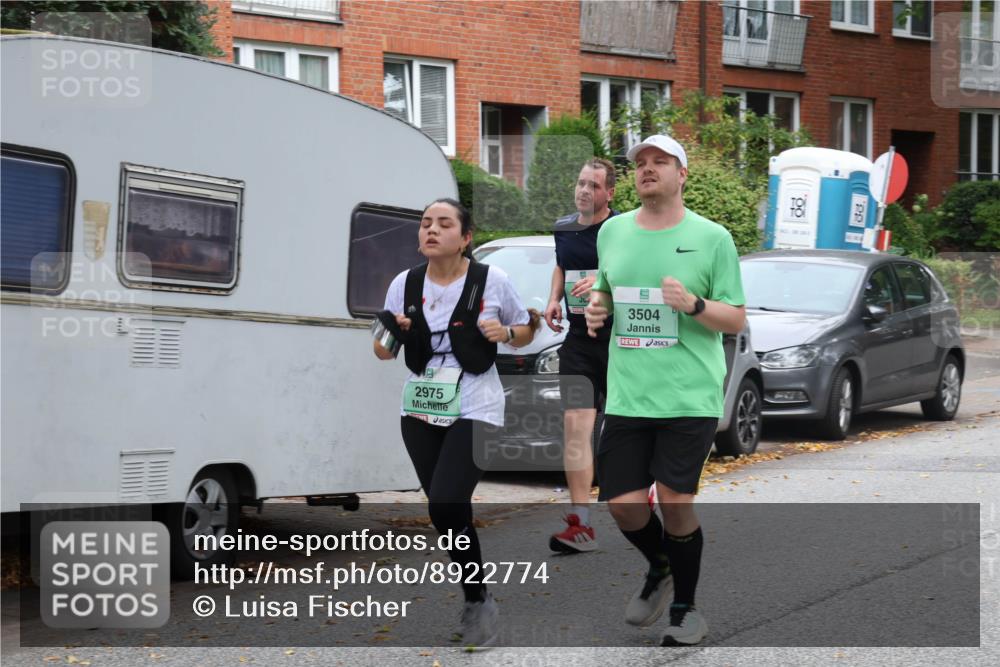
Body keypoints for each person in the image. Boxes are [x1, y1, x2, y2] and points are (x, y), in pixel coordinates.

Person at [583, 135, 746, 646]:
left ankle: (685, 610)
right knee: (624, 506)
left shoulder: (713, 237)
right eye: (641, 163)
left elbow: (735, 317)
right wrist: (597, 310)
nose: (648, 169)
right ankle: (661, 564)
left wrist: (694, 304)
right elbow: (606, 294)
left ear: (682, 174)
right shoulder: (611, 232)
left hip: (688, 394)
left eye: (660, 162)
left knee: (676, 503)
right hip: (629, 393)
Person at [373, 198, 538, 648]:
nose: (431, 230)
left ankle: (477, 602)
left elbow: (526, 330)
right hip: (421, 408)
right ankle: (477, 596)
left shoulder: (492, 281)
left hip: (476, 407)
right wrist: (396, 329)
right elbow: (383, 351)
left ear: (465, 238)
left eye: (444, 224)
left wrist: (505, 334)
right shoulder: (403, 284)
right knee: (446, 512)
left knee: (447, 501)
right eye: (426, 223)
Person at [543, 158, 618, 553]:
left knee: (628, 428)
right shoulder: (563, 227)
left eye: (593, 185)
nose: (584, 190)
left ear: (609, 194)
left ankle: (650, 492)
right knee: (575, 427)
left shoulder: (623, 230)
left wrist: (605, 280)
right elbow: (561, 264)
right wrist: (554, 298)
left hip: (621, 340)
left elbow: (640, 272)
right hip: (578, 340)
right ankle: (581, 522)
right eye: (581, 183)